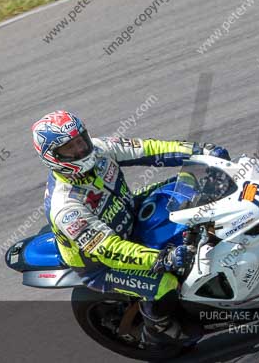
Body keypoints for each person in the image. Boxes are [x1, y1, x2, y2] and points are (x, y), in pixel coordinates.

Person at [32, 110, 230, 345]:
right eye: (69, 148)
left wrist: (200, 152)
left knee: (191, 180)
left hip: (129, 212)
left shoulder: (100, 149)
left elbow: (148, 149)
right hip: (101, 264)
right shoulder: (66, 207)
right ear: (52, 157)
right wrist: (163, 259)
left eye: (80, 140)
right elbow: (109, 250)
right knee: (165, 282)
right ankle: (157, 329)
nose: (80, 150)